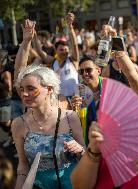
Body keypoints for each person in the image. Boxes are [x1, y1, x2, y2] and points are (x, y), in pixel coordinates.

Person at [12, 20, 85, 189]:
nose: (24, 94)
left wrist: (80, 149)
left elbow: (86, 156)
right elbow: (23, 165)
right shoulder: (19, 124)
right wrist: (26, 42)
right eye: (22, 89)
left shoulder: (70, 117)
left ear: (49, 89)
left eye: (31, 89)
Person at [33, 13, 79, 98]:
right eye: (61, 50)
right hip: (60, 100)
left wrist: (70, 27)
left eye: (66, 49)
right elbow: (39, 51)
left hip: (75, 98)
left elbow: (75, 45)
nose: (64, 52)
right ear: (56, 51)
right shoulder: (53, 61)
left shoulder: (73, 59)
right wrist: (34, 35)